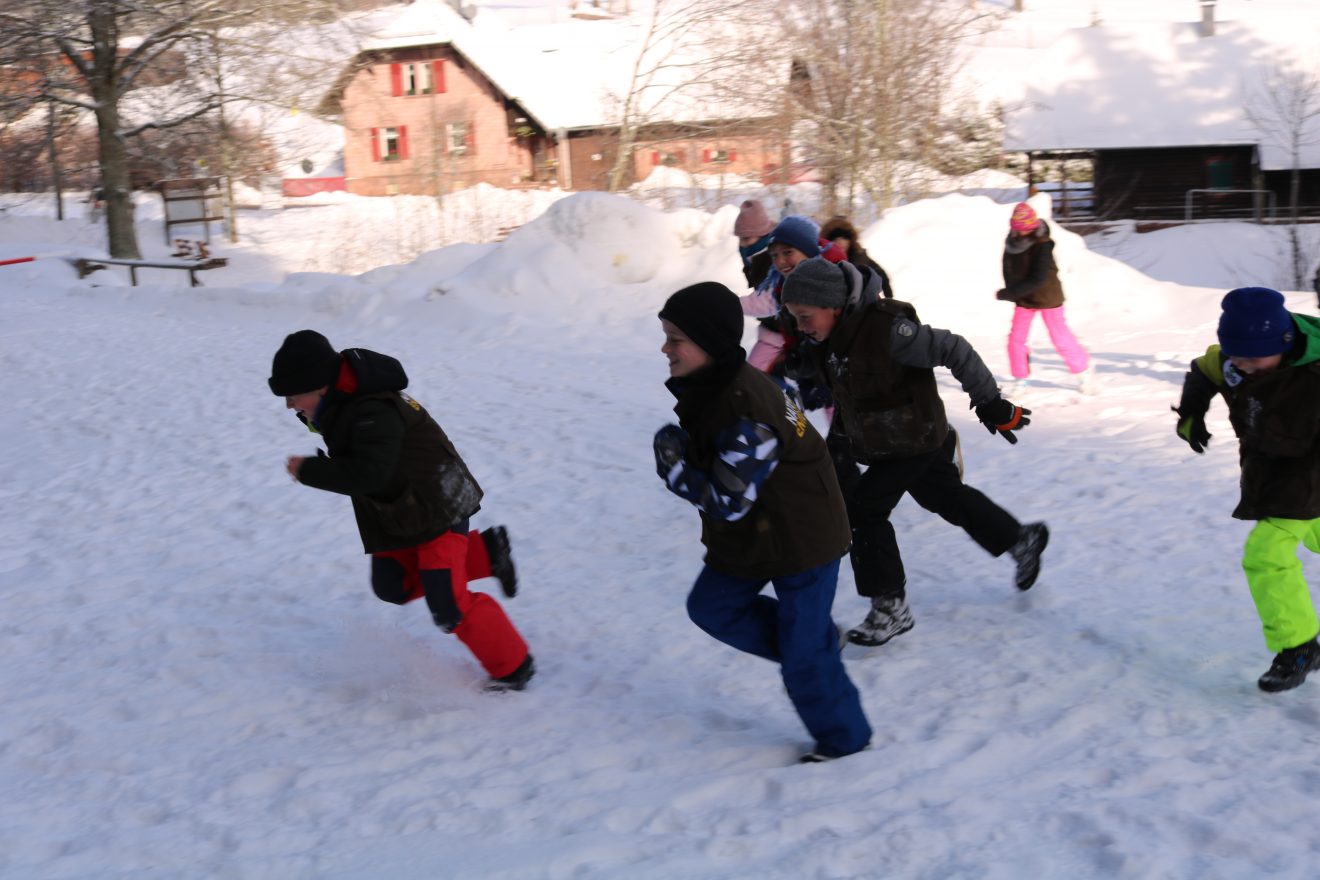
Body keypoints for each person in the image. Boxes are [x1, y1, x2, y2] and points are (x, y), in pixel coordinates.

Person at [781, 257, 1050, 647]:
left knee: (864, 510)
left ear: (834, 305)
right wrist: (800, 363)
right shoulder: (829, 337)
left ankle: (890, 605)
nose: (802, 327)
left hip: (914, 436)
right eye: (796, 319)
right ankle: (1019, 539)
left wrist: (990, 401)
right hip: (886, 441)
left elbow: (954, 349)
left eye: (805, 317)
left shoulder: (888, 330)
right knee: (945, 497)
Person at [654, 282, 872, 763]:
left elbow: (727, 499)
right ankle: (814, 644)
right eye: (667, 336)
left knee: (803, 660)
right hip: (759, 532)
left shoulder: (746, 408)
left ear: (709, 342)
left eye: (676, 339)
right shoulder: (717, 384)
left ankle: (845, 740)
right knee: (712, 607)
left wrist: (673, 465)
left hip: (804, 538)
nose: (666, 348)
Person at [269, 330, 534, 692]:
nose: (289, 405)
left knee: (448, 605)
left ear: (319, 385)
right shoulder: (341, 402)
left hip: (438, 505)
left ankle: (514, 667)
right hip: (401, 509)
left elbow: (367, 473)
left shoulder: (373, 410)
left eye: (292, 395)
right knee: (392, 584)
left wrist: (309, 471)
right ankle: (487, 552)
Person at [1173, 287, 1320, 692]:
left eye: (1254, 359)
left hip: (1308, 471)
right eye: (1237, 357)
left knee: (1266, 555)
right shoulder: (1233, 360)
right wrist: (1191, 413)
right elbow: (1204, 370)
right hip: (1270, 465)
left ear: (1285, 343)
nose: (1245, 367)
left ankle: (1299, 647)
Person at [996, 201, 1094, 395]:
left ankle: (1083, 371)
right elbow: (1008, 267)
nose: (1021, 232)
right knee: (1016, 339)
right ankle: (1020, 380)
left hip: (1047, 296)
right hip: (1024, 297)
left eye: (1024, 229)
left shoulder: (1043, 245)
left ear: (1032, 225)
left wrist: (1009, 293)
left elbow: (1038, 278)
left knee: (1059, 337)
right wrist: (1011, 289)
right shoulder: (1012, 242)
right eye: (1017, 228)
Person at [739, 215, 847, 376]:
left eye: (788, 252)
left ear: (809, 250)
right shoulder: (782, 282)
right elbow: (765, 303)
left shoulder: (832, 280)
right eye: (774, 255)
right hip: (795, 346)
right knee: (752, 379)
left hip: (830, 355)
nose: (780, 261)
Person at [820, 216, 893, 299]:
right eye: (835, 238)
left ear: (850, 239)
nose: (840, 242)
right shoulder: (822, 263)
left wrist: (889, 299)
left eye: (844, 237)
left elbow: (882, 276)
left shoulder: (860, 257)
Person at [732, 199, 776, 289]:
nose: (742, 244)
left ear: (762, 235)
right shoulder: (755, 257)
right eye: (740, 238)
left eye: (746, 238)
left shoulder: (773, 261)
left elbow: (764, 297)